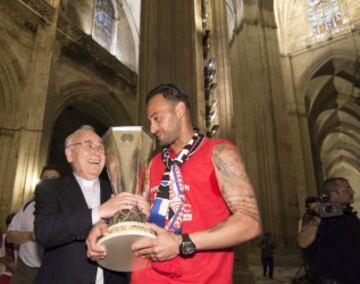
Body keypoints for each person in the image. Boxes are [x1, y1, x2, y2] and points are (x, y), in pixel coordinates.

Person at [86, 84, 262, 283]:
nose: (152, 129)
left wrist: (181, 242)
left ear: (179, 110)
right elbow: (134, 208)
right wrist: (104, 225)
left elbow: (249, 222)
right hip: (146, 277)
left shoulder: (219, 153)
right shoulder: (153, 163)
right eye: (149, 121)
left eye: (157, 118)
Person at [34, 125, 147, 284]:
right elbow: (45, 231)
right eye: (88, 145)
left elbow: (132, 239)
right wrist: (99, 211)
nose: (97, 151)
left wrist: (143, 214)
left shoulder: (115, 191)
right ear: (69, 154)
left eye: (101, 147)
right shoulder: (50, 188)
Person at [297, 177, 360, 283]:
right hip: (333, 279)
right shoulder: (316, 215)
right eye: (347, 190)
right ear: (333, 194)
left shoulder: (348, 214)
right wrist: (318, 217)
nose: (352, 192)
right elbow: (302, 242)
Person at [7, 165, 61, 284]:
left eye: (53, 178)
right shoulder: (28, 206)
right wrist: (30, 236)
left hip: (52, 273)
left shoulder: (66, 210)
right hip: (23, 271)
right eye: (45, 178)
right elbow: (9, 236)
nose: (48, 182)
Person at [0, 213, 17, 284]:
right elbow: (1, 256)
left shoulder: (26, 241)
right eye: (9, 226)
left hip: (21, 275)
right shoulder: (4, 238)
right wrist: (8, 264)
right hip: (7, 273)